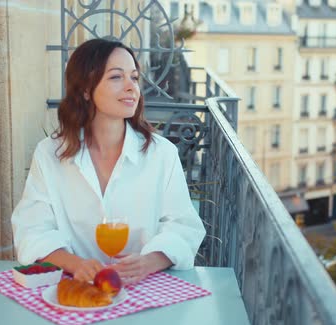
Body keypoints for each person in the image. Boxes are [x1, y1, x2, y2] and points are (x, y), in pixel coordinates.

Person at [11, 38, 206, 284]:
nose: (131, 87)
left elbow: (184, 226)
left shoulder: (162, 154)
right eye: (116, 77)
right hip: (73, 291)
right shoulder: (49, 154)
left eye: (134, 77)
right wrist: (78, 265)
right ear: (85, 89)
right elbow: (32, 229)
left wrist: (147, 263)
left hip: (144, 290)